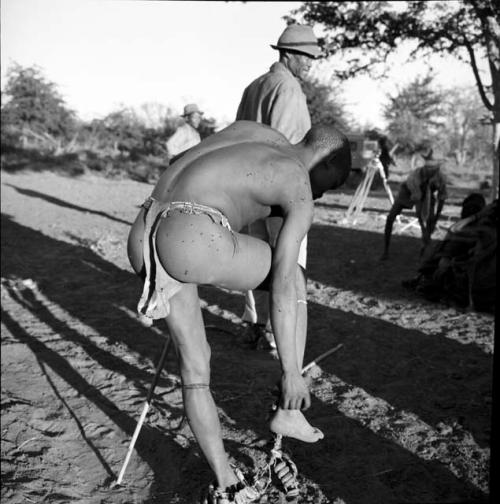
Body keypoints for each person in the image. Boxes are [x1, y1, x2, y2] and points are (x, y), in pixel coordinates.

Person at [127, 120, 351, 503]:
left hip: (144, 229)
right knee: (294, 276)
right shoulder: (297, 180)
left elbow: (188, 164)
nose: (323, 195)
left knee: (195, 369)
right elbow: (281, 285)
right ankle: (288, 409)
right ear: (328, 162)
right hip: (192, 236)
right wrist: (291, 373)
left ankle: (228, 482)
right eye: (329, 186)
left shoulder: (255, 133)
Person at [235, 24, 322, 349]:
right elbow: (284, 149)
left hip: (247, 190)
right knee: (289, 262)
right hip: (277, 193)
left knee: (253, 259)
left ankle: (252, 325)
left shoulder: (254, 86)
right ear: (288, 54)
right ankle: (276, 335)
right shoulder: (288, 89)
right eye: (307, 57)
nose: (311, 63)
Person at [381, 157, 448, 260]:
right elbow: (419, 208)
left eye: (433, 170)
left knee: (430, 221)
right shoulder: (414, 177)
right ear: (424, 168)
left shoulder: (440, 178)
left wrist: (435, 219)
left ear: (436, 170)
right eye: (428, 170)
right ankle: (386, 250)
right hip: (407, 193)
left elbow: (442, 198)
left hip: (427, 194)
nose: (430, 172)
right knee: (390, 217)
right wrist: (423, 227)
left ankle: (424, 247)